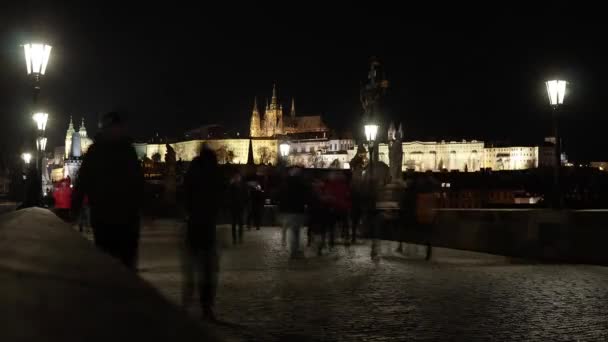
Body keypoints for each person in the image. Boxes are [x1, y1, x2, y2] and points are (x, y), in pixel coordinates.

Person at [72, 112, 144, 270]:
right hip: (106, 218)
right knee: (110, 264)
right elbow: (82, 181)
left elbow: (138, 183)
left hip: (124, 219)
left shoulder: (124, 151)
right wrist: (74, 209)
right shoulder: (100, 151)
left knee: (122, 265)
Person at [182, 147, 223, 321]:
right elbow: (221, 198)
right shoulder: (214, 175)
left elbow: (183, 195)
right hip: (208, 225)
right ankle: (206, 306)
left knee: (191, 266)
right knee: (208, 269)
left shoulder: (192, 173)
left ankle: (187, 301)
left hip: (193, 223)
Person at [278, 167, 312, 259]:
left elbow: (280, 196)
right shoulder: (302, 184)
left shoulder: (285, 183)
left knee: (292, 230)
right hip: (298, 210)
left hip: (288, 210)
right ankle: (294, 250)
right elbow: (307, 196)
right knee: (296, 231)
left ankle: (293, 248)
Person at [228, 172, 247, 244]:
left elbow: (245, 196)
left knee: (240, 223)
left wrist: (244, 204)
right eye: (236, 177)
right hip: (233, 207)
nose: (237, 178)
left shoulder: (243, 186)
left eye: (238, 177)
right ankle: (234, 239)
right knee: (234, 223)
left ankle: (240, 237)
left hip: (240, 207)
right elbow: (229, 195)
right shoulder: (232, 186)